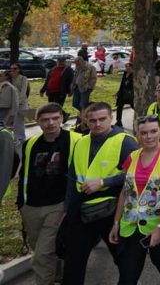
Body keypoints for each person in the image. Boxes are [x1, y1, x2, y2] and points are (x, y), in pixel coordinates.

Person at [63, 102, 140, 285]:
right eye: (92, 120)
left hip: (112, 211)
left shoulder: (125, 141)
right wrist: (67, 210)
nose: (97, 124)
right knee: (73, 262)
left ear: (111, 118)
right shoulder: (81, 142)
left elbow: (137, 174)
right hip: (82, 210)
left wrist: (104, 182)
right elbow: (72, 177)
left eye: (102, 119)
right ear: (85, 121)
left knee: (124, 261)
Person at [110, 115, 160, 285]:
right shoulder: (132, 157)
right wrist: (116, 222)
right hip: (131, 224)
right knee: (128, 272)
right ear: (137, 135)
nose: (148, 137)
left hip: (158, 223)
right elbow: (125, 192)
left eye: (153, 131)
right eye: (143, 133)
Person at [18, 103, 79, 285]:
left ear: (62, 118)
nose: (50, 123)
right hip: (31, 206)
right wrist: (21, 202)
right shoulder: (30, 144)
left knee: (42, 255)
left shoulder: (77, 140)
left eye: (55, 118)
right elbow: (24, 174)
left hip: (58, 205)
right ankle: (58, 277)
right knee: (45, 249)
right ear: (37, 121)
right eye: (45, 120)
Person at [9, 64, 29, 144]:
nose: (12, 70)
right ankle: (16, 137)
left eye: (14, 68)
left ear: (19, 69)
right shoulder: (10, 78)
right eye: (11, 69)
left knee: (19, 121)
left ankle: (21, 138)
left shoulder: (23, 78)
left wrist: (18, 102)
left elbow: (23, 92)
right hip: (12, 103)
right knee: (13, 122)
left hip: (21, 103)